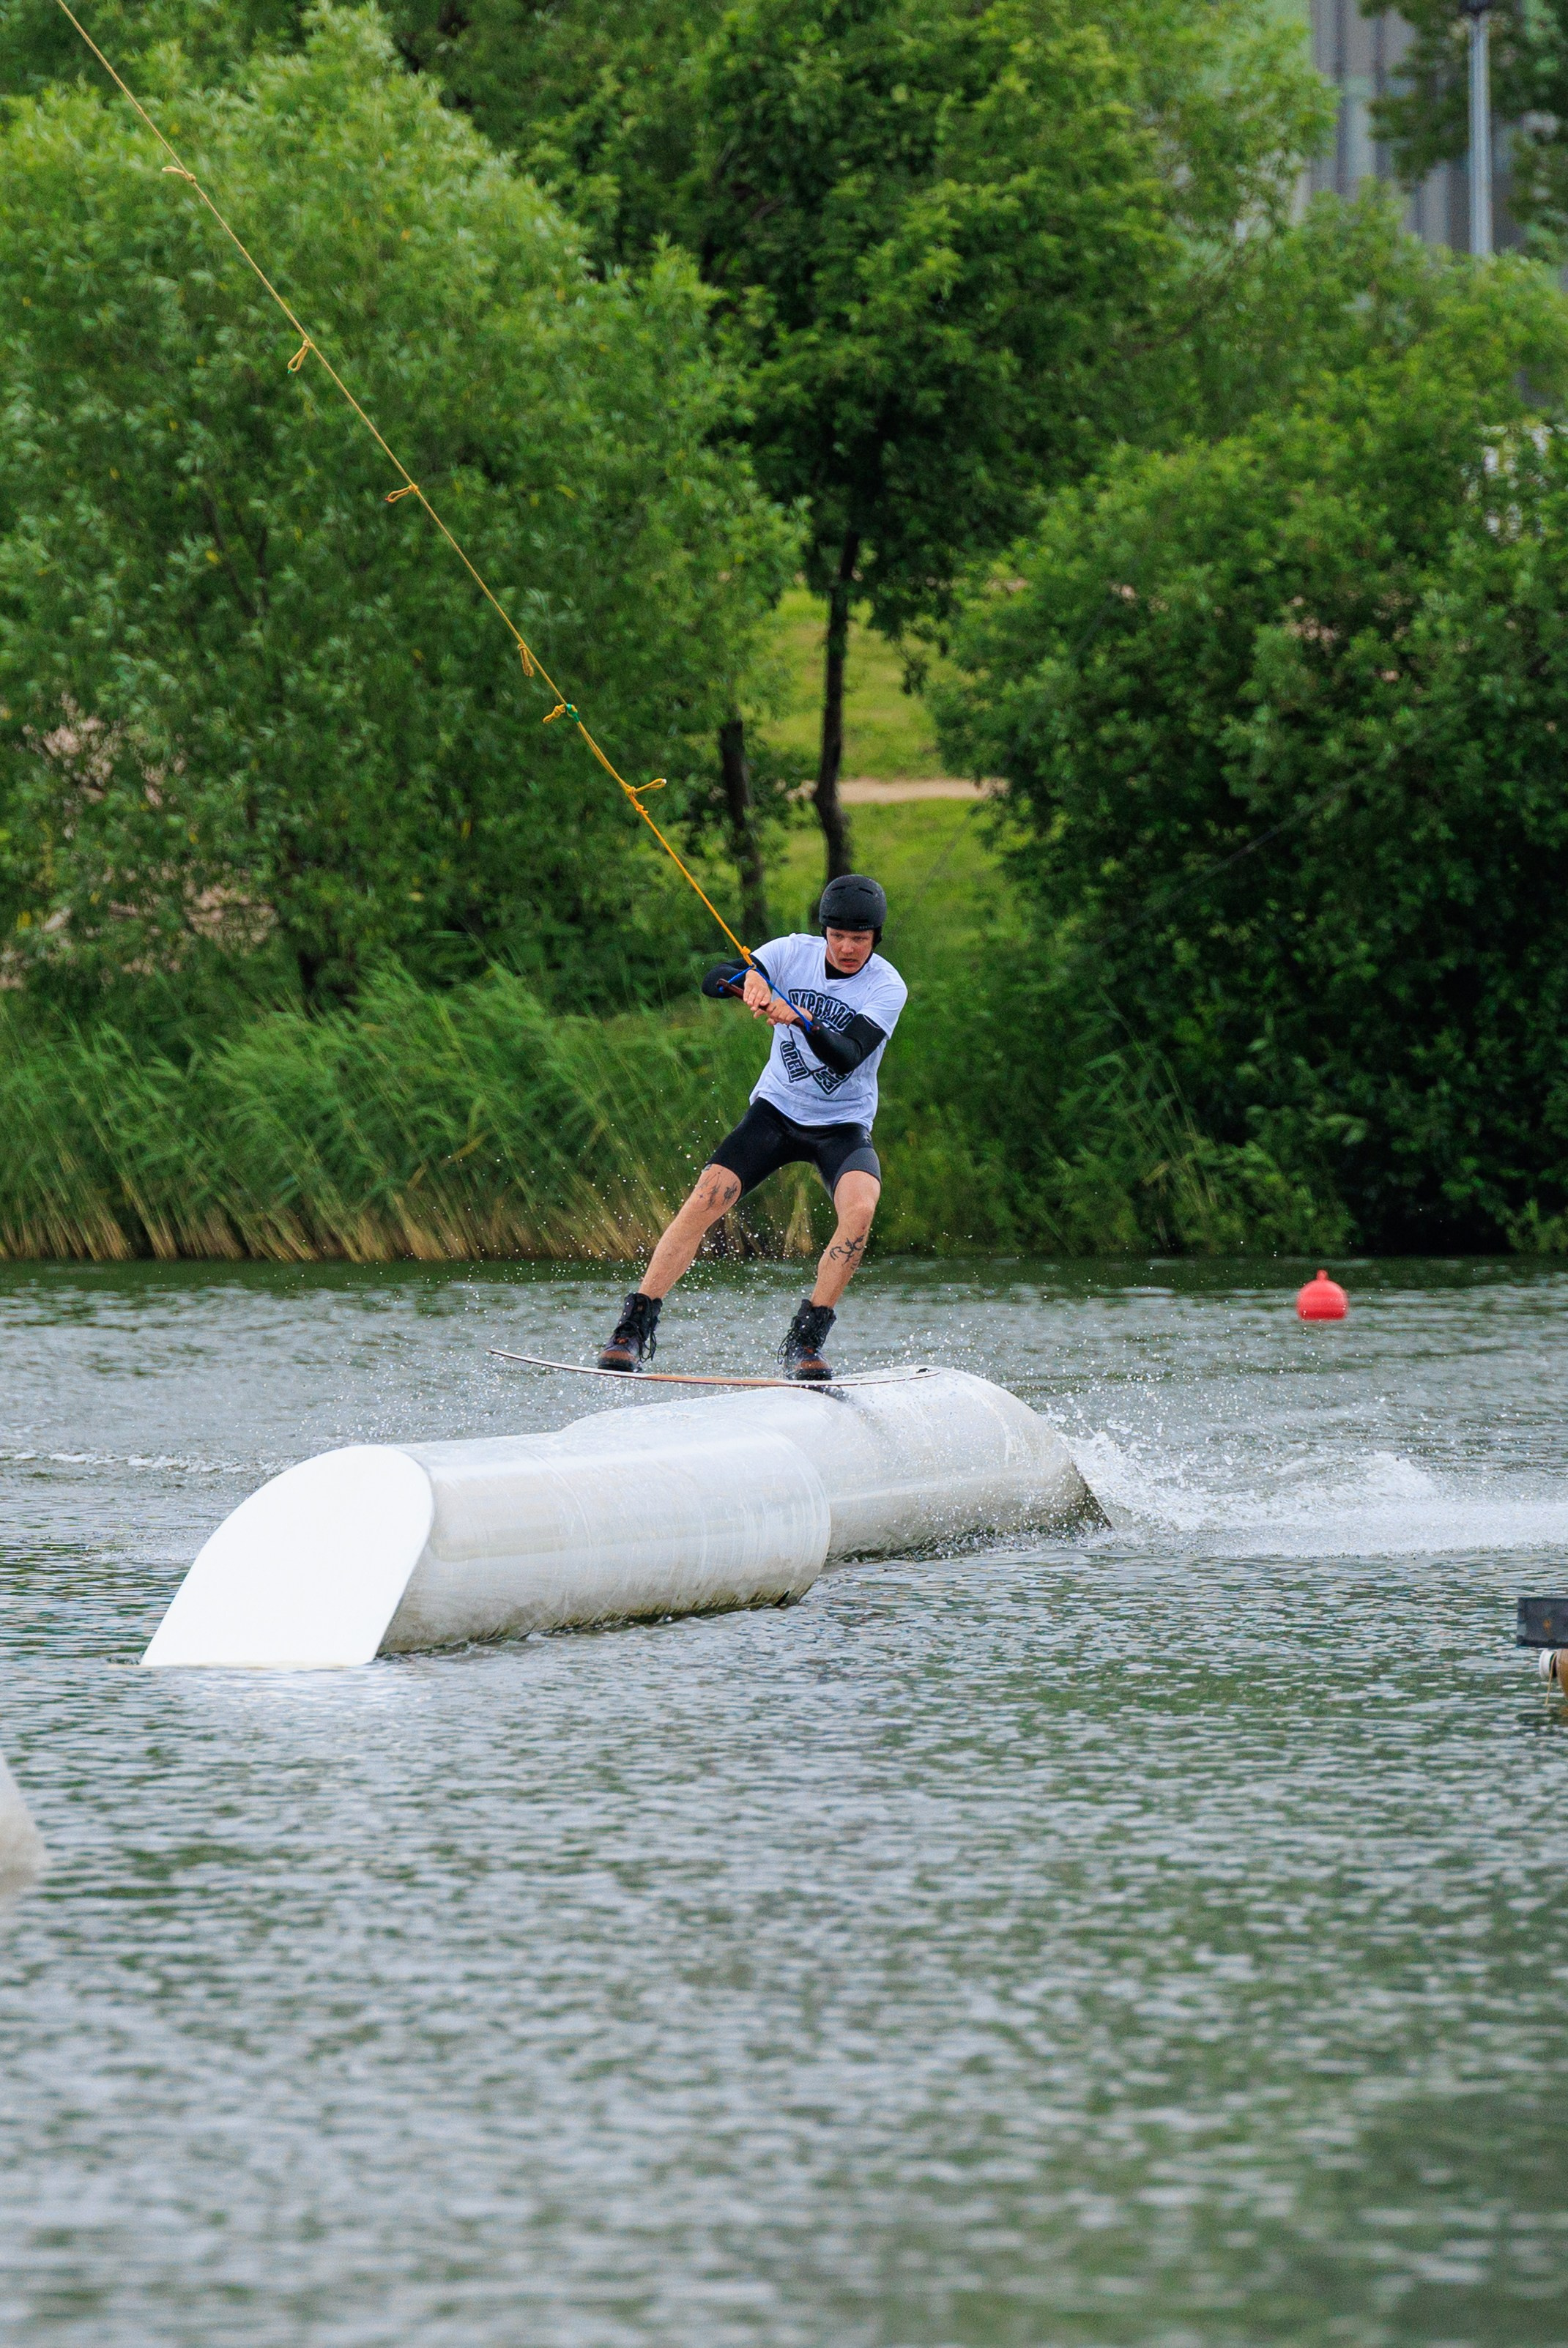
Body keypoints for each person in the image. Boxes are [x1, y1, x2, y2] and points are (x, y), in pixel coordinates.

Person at [596, 874, 907, 1381]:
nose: (847, 948)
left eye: (860, 939)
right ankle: (631, 1330)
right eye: (838, 936)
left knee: (861, 1209)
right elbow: (713, 978)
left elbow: (847, 1055)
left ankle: (805, 1343)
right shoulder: (790, 952)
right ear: (824, 932)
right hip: (775, 1114)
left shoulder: (885, 986)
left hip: (841, 1126)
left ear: (875, 939)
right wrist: (748, 982)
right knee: (704, 1199)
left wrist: (799, 1018)